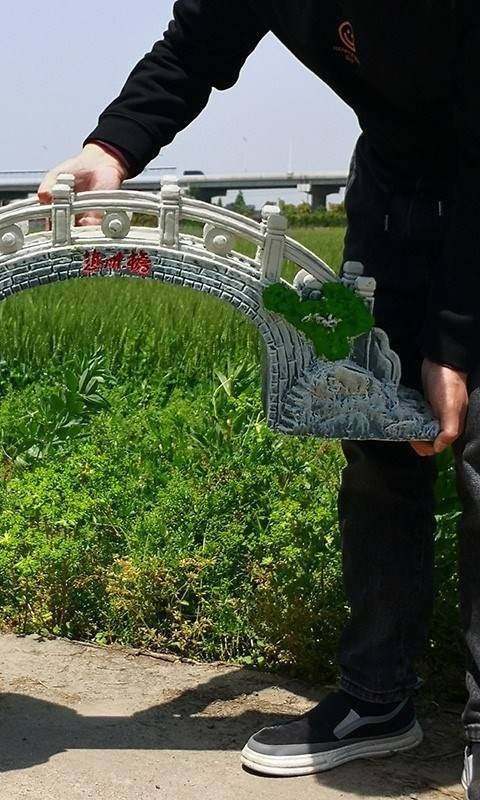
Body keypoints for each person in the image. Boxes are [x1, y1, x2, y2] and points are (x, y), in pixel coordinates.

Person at [38, 2, 480, 795]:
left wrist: (455, 340)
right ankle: (379, 698)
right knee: (374, 424)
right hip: (396, 184)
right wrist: (111, 148)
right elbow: (194, 47)